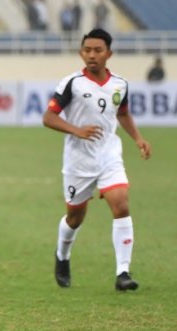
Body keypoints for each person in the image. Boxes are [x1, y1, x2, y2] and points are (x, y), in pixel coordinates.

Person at [42, 29, 151, 292]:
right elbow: (49, 117)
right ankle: (62, 255)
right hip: (78, 160)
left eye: (97, 50)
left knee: (121, 204)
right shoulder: (72, 83)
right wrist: (77, 130)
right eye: (87, 50)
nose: (92, 55)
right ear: (81, 53)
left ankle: (123, 273)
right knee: (75, 217)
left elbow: (122, 113)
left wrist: (138, 138)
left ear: (108, 54)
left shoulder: (120, 84)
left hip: (108, 154)